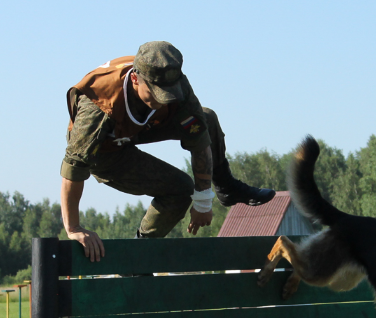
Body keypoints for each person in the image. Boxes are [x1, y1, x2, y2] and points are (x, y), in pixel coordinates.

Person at [61, 41, 275, 261]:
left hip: (140, 127)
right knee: (181, 189)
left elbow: (199, 138)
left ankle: (227, 188)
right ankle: (139, 255)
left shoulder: (174, 82)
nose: (162, 99)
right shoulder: (99, 104)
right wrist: (74, 227)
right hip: (106, 150)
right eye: (155, 93)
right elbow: (73, 167)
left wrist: (203, 201)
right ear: (135, 79)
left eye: (168, 93)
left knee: (206, 118)